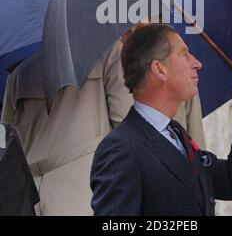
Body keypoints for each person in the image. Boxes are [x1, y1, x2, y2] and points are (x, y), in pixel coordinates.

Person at [1, 36, 205, 215]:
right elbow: (131, 129)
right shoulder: (109, 53)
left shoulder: (18, 75)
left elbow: (7, 146)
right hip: (88, 195)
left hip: (32, 200)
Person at [91, 23, 232, 216]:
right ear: (159, 69)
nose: (197, 63)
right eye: (184, 54)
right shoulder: (120, 149)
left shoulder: (177, 134)